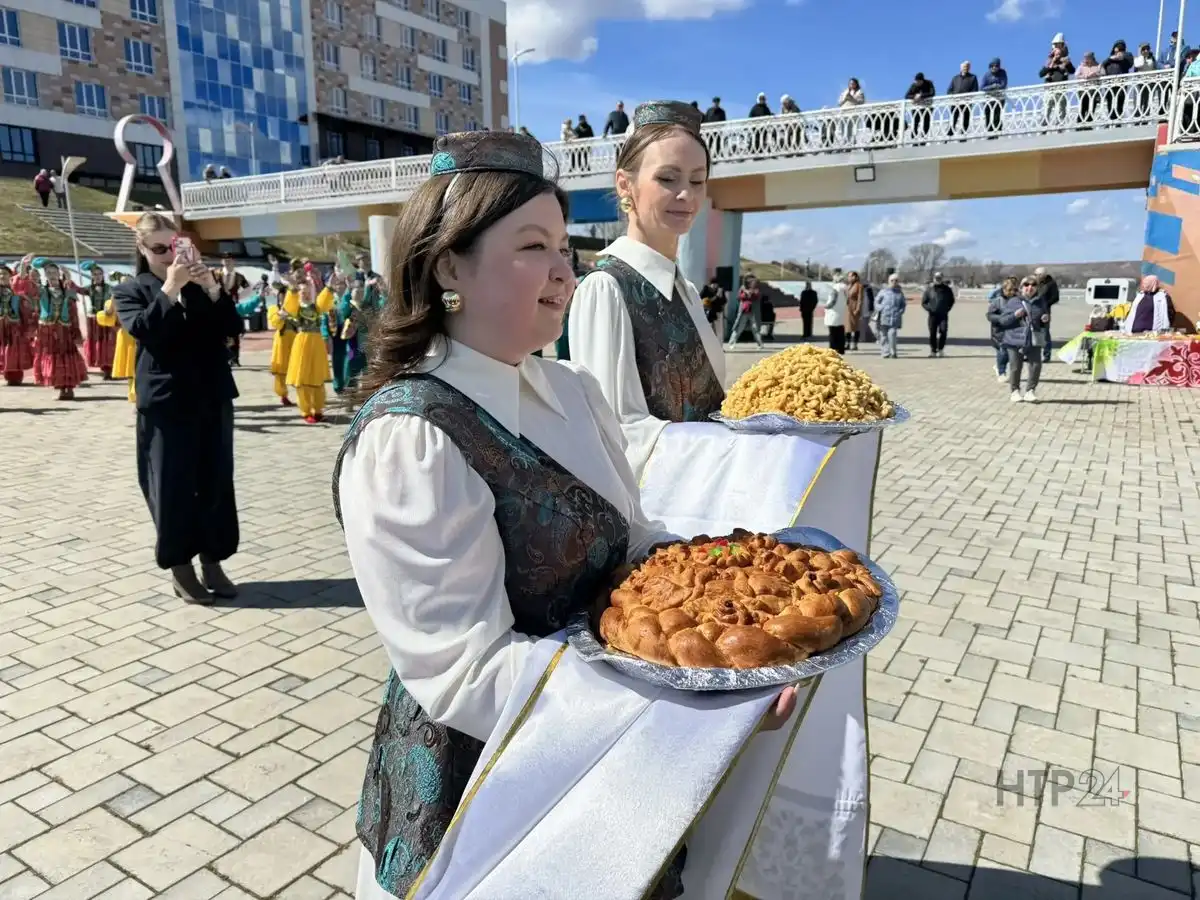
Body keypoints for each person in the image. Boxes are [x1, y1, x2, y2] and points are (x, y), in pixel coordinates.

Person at [335, 130, 797, 900]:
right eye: (531, 247)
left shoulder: (575, 391)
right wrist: (695, 703)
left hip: (609, 760)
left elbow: (638, 546)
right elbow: (466, 674)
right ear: (449, 265)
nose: (562, 271)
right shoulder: (412, 437)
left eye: (562, 247)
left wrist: (740, 582)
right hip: (483, 791)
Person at [567, 101, 726, 478]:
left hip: (707, 488)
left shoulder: (684, 288)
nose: (686, 195)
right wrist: (724, 447)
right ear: (626, 184)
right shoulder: (607, 287)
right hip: (656, 504)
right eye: (668, 178)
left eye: (697, 181)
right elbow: (613, 434)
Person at [113, 212, 244, 603]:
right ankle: (180, 566)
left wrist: (212, 288)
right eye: (159, 249)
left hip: (212, 395)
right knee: (172, 486)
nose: (170, 256)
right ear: (142, 248)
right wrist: (170, 288)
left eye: (175, 246)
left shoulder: (199, 284)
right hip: (167, 402)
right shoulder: (131, 290)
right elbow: (145, 330)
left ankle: (213, 559)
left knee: (215, 482)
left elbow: (231, 328)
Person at [285, 265, 338, 423]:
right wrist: (292, 289)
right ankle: (306, 410)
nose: (306, 294)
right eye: (303, 292)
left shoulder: (316, 307)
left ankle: (318, 409)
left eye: (308, 292)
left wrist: (329, 287)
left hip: (316, 344)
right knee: (303, 380)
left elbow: (324, 302)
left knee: (317, 379)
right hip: (302, 343)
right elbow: (289, 306)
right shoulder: (297, 308)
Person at [32, 259, 87, 400]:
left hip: (64, 329)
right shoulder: (41, 290)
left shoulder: (68, 291)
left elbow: (73, 311)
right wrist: (23, 267)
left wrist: (75, 330)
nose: (52, 275)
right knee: (52, 355)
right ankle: (61, 388)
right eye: (48, 273)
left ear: (59, 274)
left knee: (66, 355)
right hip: (48, 330)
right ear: (45, 275)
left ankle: (69, 388)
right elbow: (24, 288)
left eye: (54, 272)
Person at [989, 275, 1049, 402]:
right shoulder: (1013, 301)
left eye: (1033, 285)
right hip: (1015, 339)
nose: (1030, 287)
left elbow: (1042, 322)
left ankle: (1030, 391)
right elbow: (1003, 321)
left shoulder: (1041, 302)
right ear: (1021, 288)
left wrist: (1044, 320)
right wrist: (1015, 315)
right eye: (1026, 285)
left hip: (1033, 338)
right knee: (1015, 367)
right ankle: (1015, 391)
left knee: (1036, 365)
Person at [0, 263, 34, 385]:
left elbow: (24, 308)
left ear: (10, 276)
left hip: (14, 325)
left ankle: (14, 377)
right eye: (0, 274)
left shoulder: (16, 291)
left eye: (4, 274)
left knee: (13, 350)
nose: (2, 276)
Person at [81, 262, 117, 378]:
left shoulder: (110, 288)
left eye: (99, 274)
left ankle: (108, 368)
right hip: (94, 318)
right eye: (95, 274)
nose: (97, 276)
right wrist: (68, 279)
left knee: (108, 342)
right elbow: (77, 289)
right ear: (91, 276)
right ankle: (101, 364)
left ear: (103, 275)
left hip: (106, 318)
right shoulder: (89, 288)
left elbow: (116, 296)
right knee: (97, 342)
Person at [217, 255, 250, 366]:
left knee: (234, 332)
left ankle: (234, 358)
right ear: (221, 261)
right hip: (218, 307)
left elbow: (248, 288)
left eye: (229, 260)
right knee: (219, 332)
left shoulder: (239, 276)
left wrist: (239, 296)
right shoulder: (216, 274)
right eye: (225, 260)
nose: (227, 262)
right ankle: (221, 357)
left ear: (233, 261)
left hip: (232, 308)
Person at [987, 277, 1019, 381]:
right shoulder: (997, 301)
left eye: (1014, 290)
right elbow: (990, 315)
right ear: (1004, 289)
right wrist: (1001, 318)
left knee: (1012, 354)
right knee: (1003, 351)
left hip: (1014, 332)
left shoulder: (1018, 300)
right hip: (1000, 332)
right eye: (1009, 290)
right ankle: (1001, 372)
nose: (1012, 292)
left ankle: (999, 365)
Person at [921, 272, 954, 357]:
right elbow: (924, 302)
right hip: (932, 315)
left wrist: (947, 309)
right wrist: (929, 309)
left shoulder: (947, 289)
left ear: (942, 278)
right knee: (932, 333)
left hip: (943, 315)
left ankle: (941, 349)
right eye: (936, 278)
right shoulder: (929, 290)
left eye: (939, 278)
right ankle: (933, 351)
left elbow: (951, 301)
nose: (938, 279)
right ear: (934, 278)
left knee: (943, 331)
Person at [727, 276, 765, 350]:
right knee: (739, 327)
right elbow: (739, 297)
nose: (753, 284)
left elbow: (757, 297)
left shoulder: (756, 290)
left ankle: (760, 344)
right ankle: (731, 343)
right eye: (752, 282)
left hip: (753, 312)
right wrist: (746, 293)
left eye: (754, 282)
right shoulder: (743, 289)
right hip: (744, 311)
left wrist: (751, 293)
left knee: (755, 328)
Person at [874, 273, 905, 358]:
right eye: (892, 280)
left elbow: (903, 304)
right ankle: (885, 352)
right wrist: (880, 308)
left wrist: (900, 312)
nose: (894, 282)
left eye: (896, 280)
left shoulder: (899, 293)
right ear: (889, 281)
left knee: (892, 334)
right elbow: (876, 301)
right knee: (883, 336)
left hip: (894, 318)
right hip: (883, 317)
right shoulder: (883, 292)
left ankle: (893, 352)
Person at [824, 271, 848, 354]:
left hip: (833, 313)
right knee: (841, 331)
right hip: (842, 312)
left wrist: (826, 306)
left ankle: (833, 349)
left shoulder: (835, 288)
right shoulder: (846, 288)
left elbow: (832, 301)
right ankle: (841, 349)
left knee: (833, 332)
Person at [845, 271, 864, 351]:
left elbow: (860, 298)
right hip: (848, 308)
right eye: (848, 276)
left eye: (851, 276)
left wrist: (857, 309)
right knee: (848, 327)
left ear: (855, 277)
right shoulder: (848, 286)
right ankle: (847, 343)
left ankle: (855, 344)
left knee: (856, 327)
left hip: (854, 308)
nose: (849, 278)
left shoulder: (859, 286)